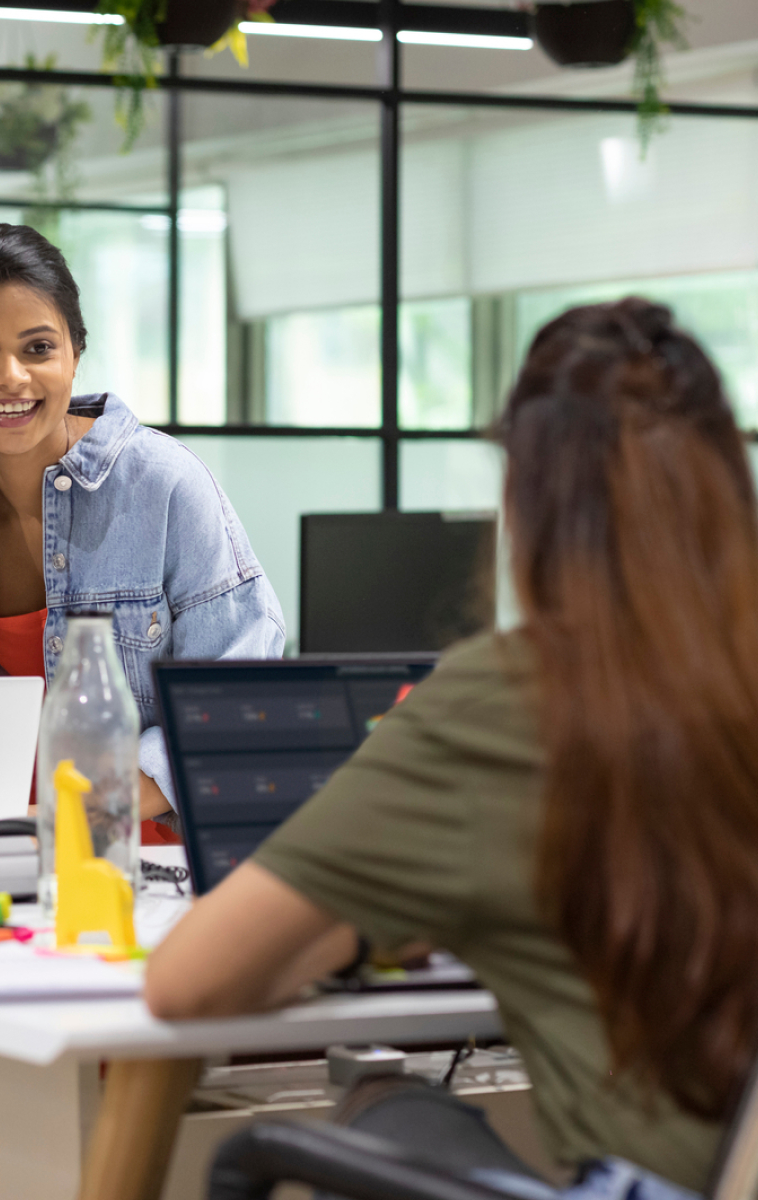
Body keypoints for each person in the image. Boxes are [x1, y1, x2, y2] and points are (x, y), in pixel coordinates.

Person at [146, 298, 754, 1194]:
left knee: (382, 1102)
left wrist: (357, 931)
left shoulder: (515, 695)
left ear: (528, 500)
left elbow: (187, 983)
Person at [0, 217, 285, 1175]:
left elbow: (241, 683)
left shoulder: (164, 486)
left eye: (37, 348)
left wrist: (94, 813)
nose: (11, 378)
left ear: (75, 351)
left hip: (136, 866)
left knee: (30, 1109)